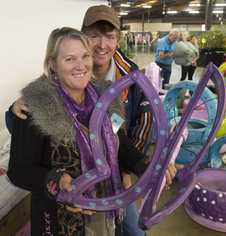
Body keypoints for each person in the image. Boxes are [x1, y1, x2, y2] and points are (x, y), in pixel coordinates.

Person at [6, 5, 168, 236]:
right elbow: (18, 170)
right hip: (59, 220)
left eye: (84, 56)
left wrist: (146, 165)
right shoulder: (37, 105)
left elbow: (121, 146)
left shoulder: (106, 95)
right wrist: (56, 180)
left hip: (105, 210)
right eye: (70, 59)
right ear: (53, 63)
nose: (80, 65)